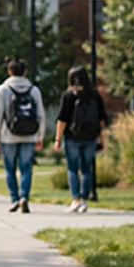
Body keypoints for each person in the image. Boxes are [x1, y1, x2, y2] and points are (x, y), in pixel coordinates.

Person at [0, 58, 46, 213]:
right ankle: (24, 197)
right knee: (26, 168)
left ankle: (14, 199)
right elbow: (41, 114)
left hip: (8, 136)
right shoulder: (34, 90)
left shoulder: (3, 89)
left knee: (10, 169)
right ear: (25, 72)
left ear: (9, 72)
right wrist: (40, 136)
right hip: (29, 136)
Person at [54, 66, 108, 213]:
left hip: (72, 137)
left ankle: (75, 199)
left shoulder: (68, 95)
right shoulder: (94, 95)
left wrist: (58, 139)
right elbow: (102, 120)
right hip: (91, 137)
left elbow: (62, 120)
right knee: (86, 169)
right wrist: (102, 139)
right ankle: (84, 200)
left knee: (72, 169)